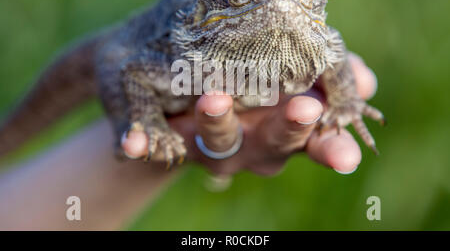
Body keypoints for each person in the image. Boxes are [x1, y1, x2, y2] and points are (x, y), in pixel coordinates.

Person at [0, 53, 378, 230]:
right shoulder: (178, 52)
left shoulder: (302, 36)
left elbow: (332, 53)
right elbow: (130, 70)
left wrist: (343, 100)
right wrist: (145, 123)